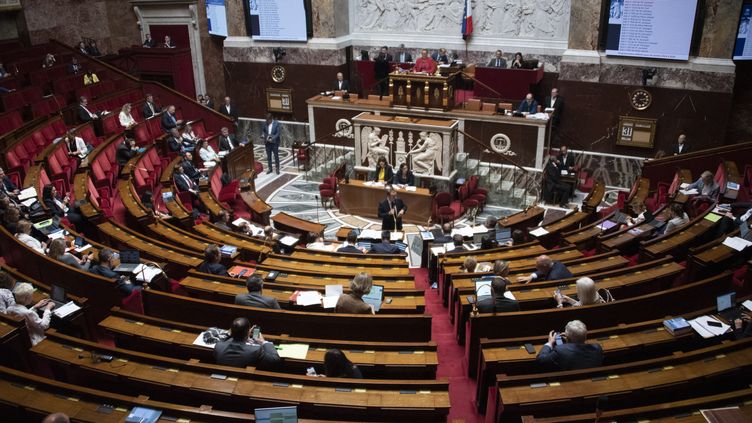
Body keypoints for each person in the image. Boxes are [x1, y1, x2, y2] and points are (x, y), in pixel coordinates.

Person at [213, 317, 281, 369]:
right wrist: (263, 342)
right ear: (248, 332)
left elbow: (223, 339)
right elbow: (275, 359)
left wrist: (243, 336)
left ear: (231, 331)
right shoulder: (255, 350)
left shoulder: (219, 346)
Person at [536, 320, 604, 371]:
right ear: (585, 337)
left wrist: (550, 343)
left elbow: (541, 360)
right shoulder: (597, 348)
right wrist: (569, 340)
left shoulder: (560, 350)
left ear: (567, 337)